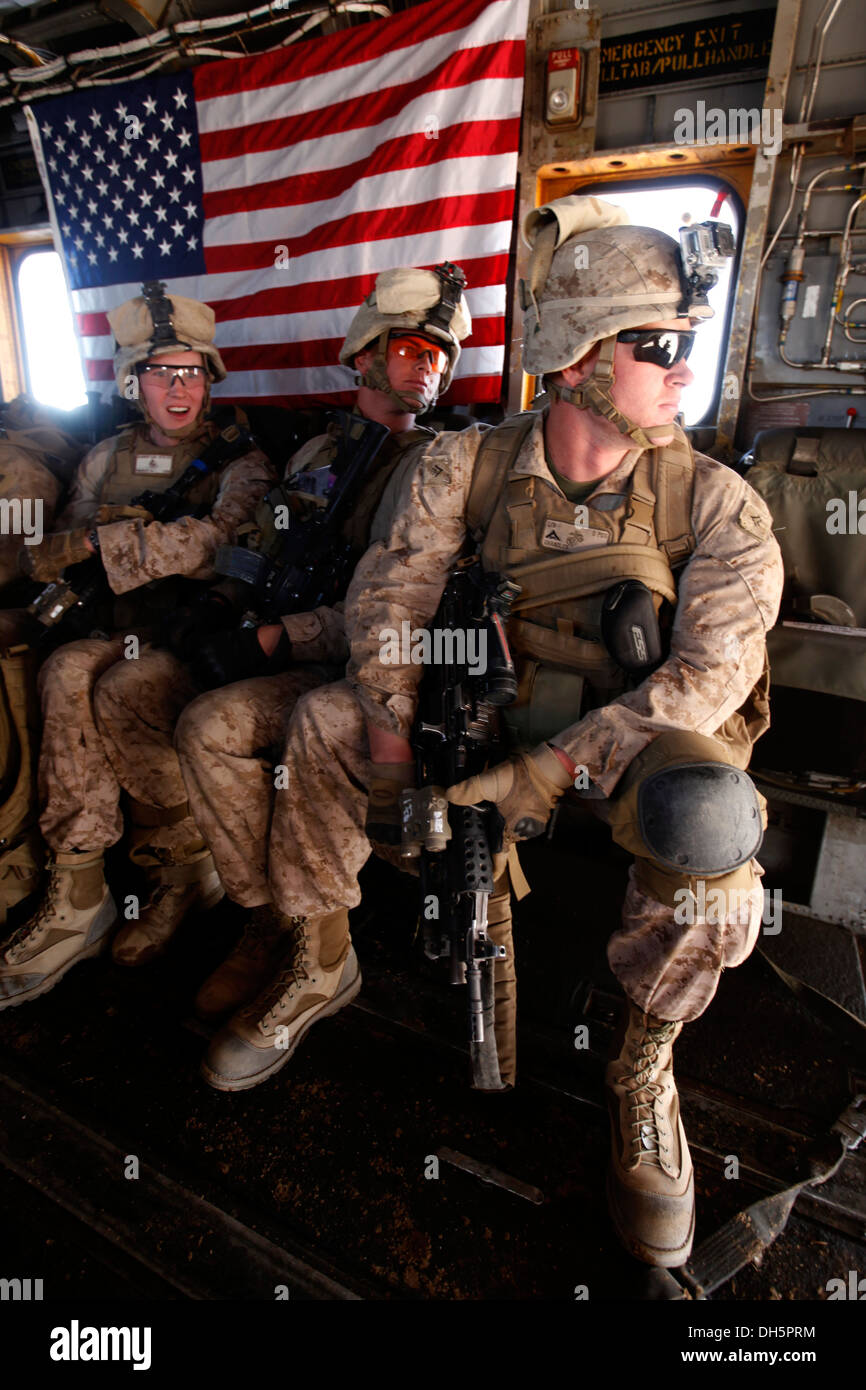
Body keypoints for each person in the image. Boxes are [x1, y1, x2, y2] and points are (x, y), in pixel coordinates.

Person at [197, 197, 784, 1271]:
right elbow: (388, 607)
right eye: (651, 344)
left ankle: (642, 1070)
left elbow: (707, 677)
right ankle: (319, 958)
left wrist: (551, 770)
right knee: (326, 720)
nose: (678, 367)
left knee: (711, 829)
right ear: (570, 361)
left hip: (625, 748)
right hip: (483, 711)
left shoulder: (715, 503)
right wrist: (390, 748)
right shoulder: (459, 467)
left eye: (682, 344)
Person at [174, 264, 470, 1029]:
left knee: (296, 724)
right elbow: (266, 541)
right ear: (366, 354)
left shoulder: (437, 471)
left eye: (439, 356)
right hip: (288, 648)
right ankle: (269, 915)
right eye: (411, 349)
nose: (427, 367)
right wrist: (227, 600)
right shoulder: (316, 455)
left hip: (365, 666)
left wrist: (280, 638)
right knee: (205, 727)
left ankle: (321, 948)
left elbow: (398, 608)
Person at [0, 282, 274, 1007]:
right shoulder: (103, 457)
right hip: (113, 629)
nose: (177, 388)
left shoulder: (240, 462)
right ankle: (79, 886)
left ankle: (181, 866)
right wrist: (84, 541)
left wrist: (112, 542)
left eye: (190, 372)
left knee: (123, 686)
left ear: (209, 381)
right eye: (159, 373)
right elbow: (53, 548)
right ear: (133, 384)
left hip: (194, 637)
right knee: (61, 671)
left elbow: (221, 545)